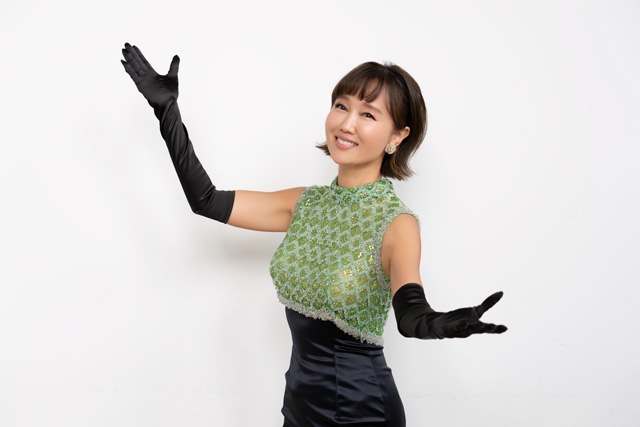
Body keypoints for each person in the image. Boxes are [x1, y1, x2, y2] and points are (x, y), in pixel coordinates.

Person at [121, 42, 507, 427]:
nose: (346, 124)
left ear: (397, 136)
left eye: (368, 114)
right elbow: (206, 200)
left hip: (362, 412)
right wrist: (167, 111)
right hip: (299, 406)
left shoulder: (396, 223)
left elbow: (410, 314)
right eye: (341, 106)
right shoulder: (304, 203)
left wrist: (440, 324)